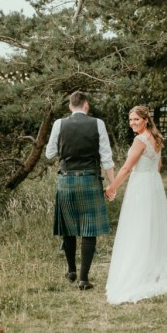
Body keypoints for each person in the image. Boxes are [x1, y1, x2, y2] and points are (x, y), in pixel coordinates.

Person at [104, 105, 167, 304]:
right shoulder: (156, 138)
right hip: (153, 185)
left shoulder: (140, 140)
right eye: (130, 120)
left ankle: (139, 270)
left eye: (136, 119)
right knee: (150, 227)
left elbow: (127, 168)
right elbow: (158, 166)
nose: (132, 123)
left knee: (137, 227)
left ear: (146, 120)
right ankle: (151, 268)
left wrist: (112, 188)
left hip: (141, 186)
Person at [45, 91, 115, 290]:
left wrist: (65, 148)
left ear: (70, 106)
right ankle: (83, 279)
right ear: (86, 105)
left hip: (66, 181)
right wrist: (112, 185)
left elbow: (49, 154)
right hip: (90, 180)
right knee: (88, 229)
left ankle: (71, 269)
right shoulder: (98, 123)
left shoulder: (59, 123)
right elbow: (106, 157)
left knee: (68, 227)